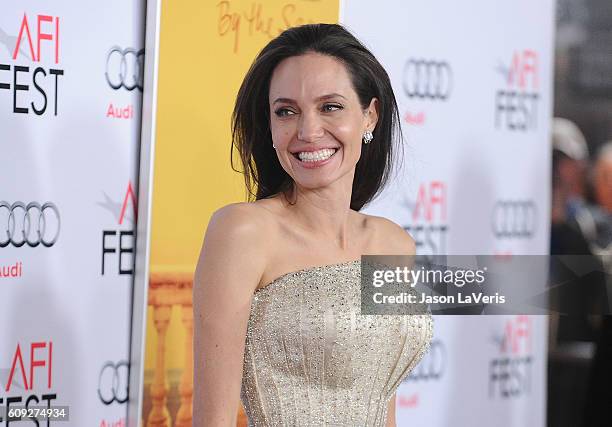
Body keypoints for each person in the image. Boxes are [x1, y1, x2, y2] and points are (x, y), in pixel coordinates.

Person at [193, 23, 433, 426]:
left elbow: (380, 397)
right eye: (286, 111)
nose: (307, 131)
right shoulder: (243, 233)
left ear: (369, 116)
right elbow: (212, 419)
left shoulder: (393, 244)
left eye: (330, 107)